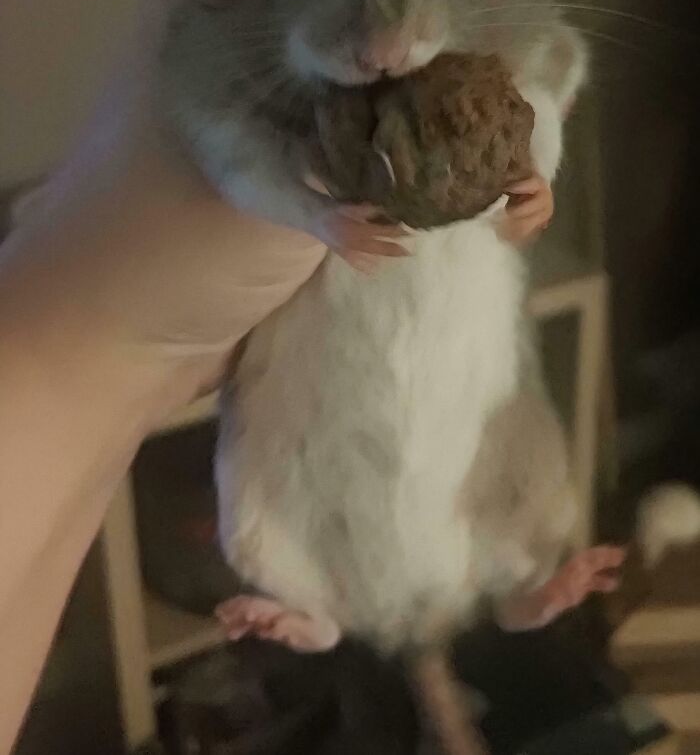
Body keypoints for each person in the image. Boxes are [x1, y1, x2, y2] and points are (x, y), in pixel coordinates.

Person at [0, 51, 549, 752]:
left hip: (420, 418)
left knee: (495, 493)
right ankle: (323, 611)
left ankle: (504, 593)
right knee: (256, 525)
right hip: (313, 423)